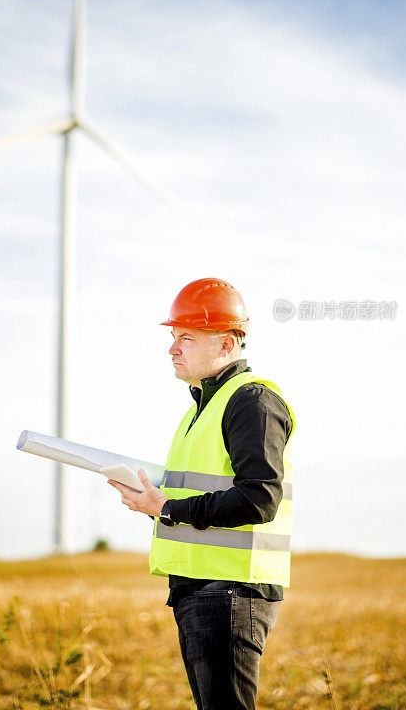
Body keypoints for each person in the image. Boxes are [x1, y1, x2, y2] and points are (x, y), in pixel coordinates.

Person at [108, 277, 295, 710]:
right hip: (201, 589)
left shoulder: (252, 401)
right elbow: (198, 498)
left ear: (227, 344)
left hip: (229, 590)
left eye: (186, 337)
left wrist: (169, 507)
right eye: (174, 337)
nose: (172, 348)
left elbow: (259, 498)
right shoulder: (201, 408)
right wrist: (152, 503)